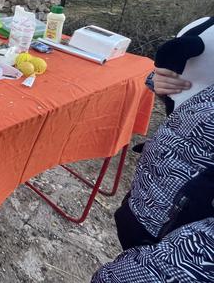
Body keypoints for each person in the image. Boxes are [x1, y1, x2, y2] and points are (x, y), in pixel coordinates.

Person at [92, 16, 214, 282]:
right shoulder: (206, 26)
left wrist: (147, 273)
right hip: (149, 196)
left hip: (181, 227)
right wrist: (160, 79)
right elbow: (191, 92)